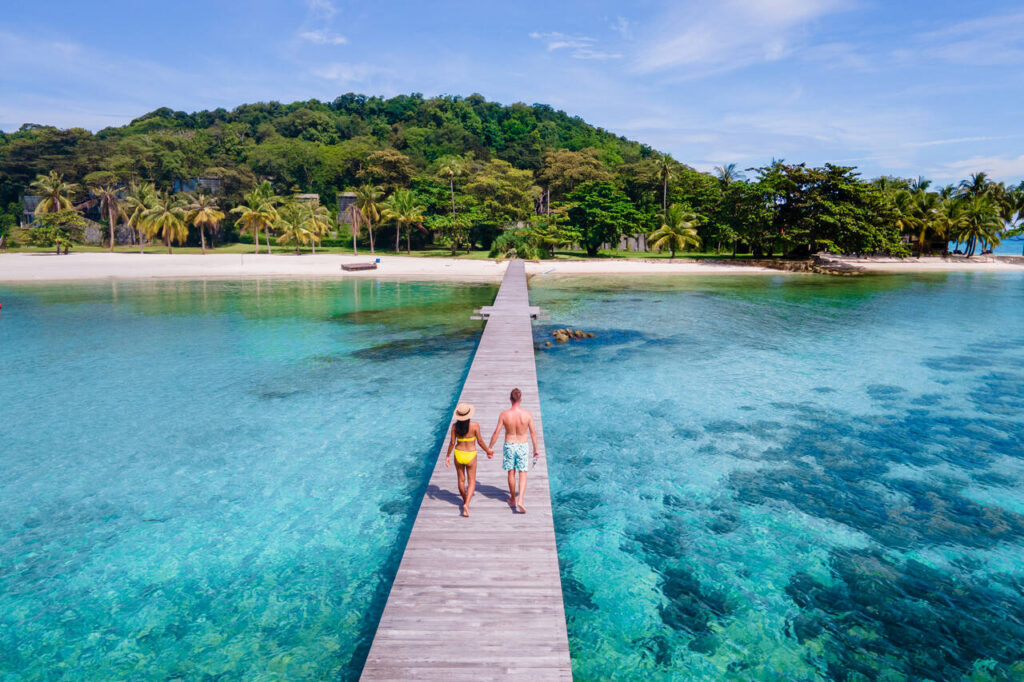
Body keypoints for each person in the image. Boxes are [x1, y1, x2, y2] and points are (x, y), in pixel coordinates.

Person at [489, 388, 540, 513]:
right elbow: (533, 433)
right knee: (523, 473)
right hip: (523, 445)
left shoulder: (504, 414)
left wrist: (490, 447)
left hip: (510, 445)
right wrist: (536, 450)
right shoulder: (527, 414)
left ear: (510, 399)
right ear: (521, 399)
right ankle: (520, 500)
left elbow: (497, 432)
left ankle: (512, 498)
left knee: (511, 473)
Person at [444, 403, 493, 517]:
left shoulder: (455, 427)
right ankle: (466, 504)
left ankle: (465, 500)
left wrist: (447, 456)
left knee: (461, 480)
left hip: (458, 454)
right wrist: (488, 451)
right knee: (471, 482)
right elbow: (480, 441)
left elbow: (452, 443)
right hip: (471, 455)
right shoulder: (475, 426)